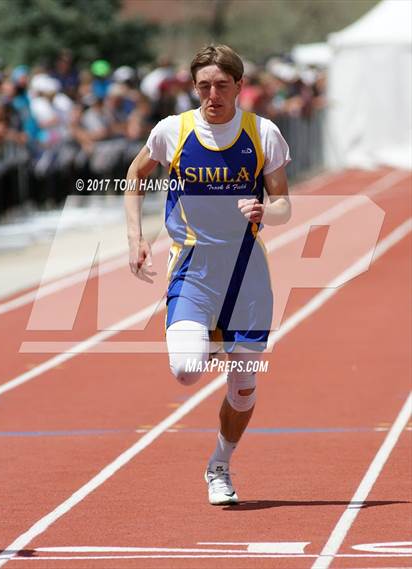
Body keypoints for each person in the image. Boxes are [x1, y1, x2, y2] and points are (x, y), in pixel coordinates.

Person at [124, 45, 291, 505]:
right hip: (194, 271)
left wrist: (266, 210)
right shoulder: (171, 131)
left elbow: (283, 204)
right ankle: (211, 341)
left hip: (246, 275)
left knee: (242, 389)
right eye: (203, 86)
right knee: (185, 369)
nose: (211, 94)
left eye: (221, 85)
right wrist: (136, 237)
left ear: (239, 86)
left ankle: (219, 465)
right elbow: (135, 176)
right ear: (193, 88)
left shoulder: (264, 133)